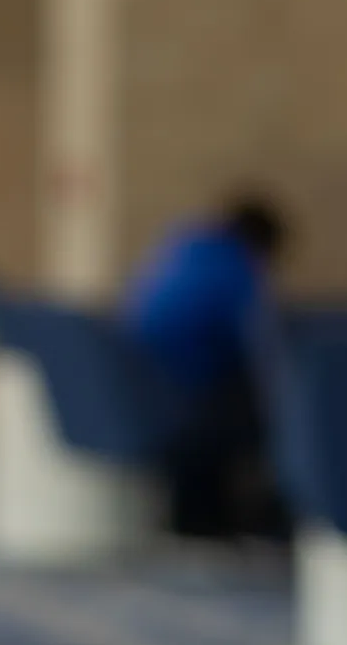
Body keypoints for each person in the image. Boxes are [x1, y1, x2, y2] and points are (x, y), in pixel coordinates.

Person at [121, 194, 289, 539]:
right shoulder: (235, 269)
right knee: (271, 412)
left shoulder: (182, 251)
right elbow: (258, 345)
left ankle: (208, 517)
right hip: (190, 395)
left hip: (148, 387)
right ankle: (244, 519)